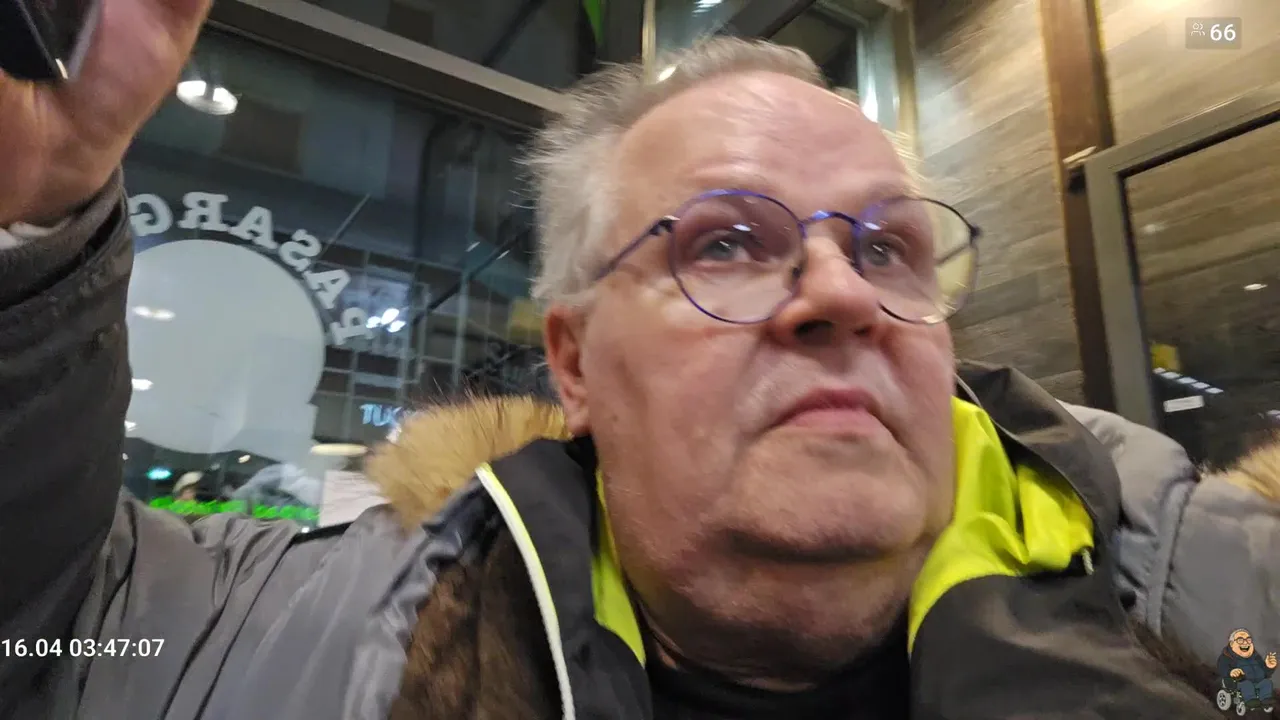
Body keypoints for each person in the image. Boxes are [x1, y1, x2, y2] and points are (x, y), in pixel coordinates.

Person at [2, 2, 1278, 715]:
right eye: (726, 243)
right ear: (573, 365)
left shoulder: (1210, 590)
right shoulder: (306, 635)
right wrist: (35, 203)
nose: (841, 293)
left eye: (887, 248)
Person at [1217, 629, 1277, 711]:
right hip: (1237, 682)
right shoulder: (1227, 657)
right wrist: (1230, 672)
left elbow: (1265, 674)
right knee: (1246, 684)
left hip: (1257, 682)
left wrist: (1269, 667)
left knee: (1267, 682)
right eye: (1240, 640)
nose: (1245, 643)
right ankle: (1250, 700)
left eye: (1248, 640)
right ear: (1232, 644)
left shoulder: (1256, 657)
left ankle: (1266, 699)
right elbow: (1222, 667)